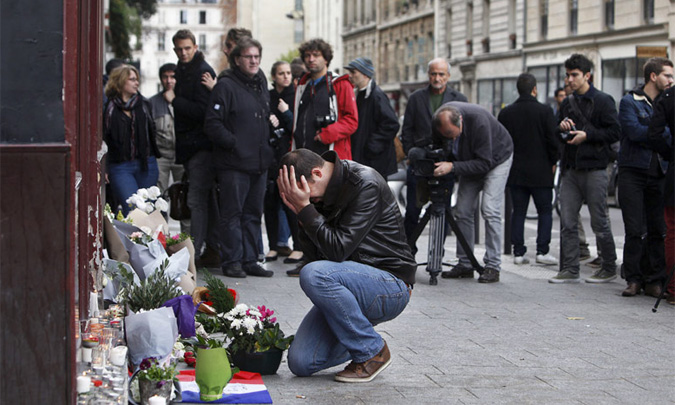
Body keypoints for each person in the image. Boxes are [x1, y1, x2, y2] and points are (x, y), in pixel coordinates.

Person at [277, 148, 416, 382]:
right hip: (349, 283)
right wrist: (303, 219)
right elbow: (315, 258)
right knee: (300, 361)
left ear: (317, 173)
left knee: (313, 274)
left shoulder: (365, 184)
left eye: (306, 194)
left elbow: (337, 250)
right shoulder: (319, 194)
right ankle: (358, 334)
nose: (307, 200)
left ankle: (372, 352)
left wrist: (305, 210)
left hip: (390, 284)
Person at [204, 37, 275, 278]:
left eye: (257, 56)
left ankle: (250, 260)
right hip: (233, 164)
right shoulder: (226, 85)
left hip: (259, 162)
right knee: (232, 214)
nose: (254, 61)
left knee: (253, 214)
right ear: (237, 60)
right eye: (249, 57)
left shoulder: (260, 82)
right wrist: (234, 144)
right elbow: (212, 125)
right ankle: (232, 261)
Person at [549, 53, 620, 284]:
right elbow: (558, 135)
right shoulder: (567, 103)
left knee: (599, 220)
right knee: (568, 220)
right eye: (567, 75)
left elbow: (615, 132)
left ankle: (608, 266)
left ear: (587, 76)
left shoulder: (603, 100)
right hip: (571, 168)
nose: (569, 80)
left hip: (595, 168)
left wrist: (587, 136)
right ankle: (570, 268)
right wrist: (562, 129)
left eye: (574, 75)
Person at [432, 102, 513, 283]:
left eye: (452, 135)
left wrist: (452, 166)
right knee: (463, 211)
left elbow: (485, 163)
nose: (451, 140)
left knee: (490, 210)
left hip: (497, 159)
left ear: (460, 121)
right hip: (468, 160)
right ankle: (465, 263)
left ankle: (493, 266)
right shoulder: (439, 120)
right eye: (446, 136)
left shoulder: (479, 122)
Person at [620, 57, 674, 297]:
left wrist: (655, 131)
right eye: (667, 76)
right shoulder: (630, 101)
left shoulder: (669, 102)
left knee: (657, 229)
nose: (671, 81)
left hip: (660, 172)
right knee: (633, 228)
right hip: (633, 171)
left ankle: (654, 280)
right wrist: (659, 131)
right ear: (654, 76)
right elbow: (633, 131)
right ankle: (633, 279)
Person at [165, 29, 219, 268]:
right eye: (179, 49)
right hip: (191, 147)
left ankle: (194, 254)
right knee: (201, 200)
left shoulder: (201, 71)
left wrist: (174, 100)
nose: (183, 52)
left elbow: (204, 111)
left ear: (195, 47)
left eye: (187, 48)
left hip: (201, 147)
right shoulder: (181, 70)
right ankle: (206, 250)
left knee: (198, 200)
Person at [400, 58, 467, 250]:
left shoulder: (459, 99)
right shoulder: (415, 98)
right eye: (433, 74)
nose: (437, 78)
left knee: (442, 212)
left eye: (441, 74)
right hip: (419, 163)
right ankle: (408, 253)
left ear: (448, 76)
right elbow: (407, 130)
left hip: (444, 164)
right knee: (413, 211)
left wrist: (453, 158)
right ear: (428, 75)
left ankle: (437, 252)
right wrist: (411, 153)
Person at [498, 73, 559, 266]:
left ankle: (518, 252)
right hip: (541, 171)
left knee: (518, 212)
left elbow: (502, 142)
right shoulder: (545, 111)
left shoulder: (506, 113)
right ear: (535, 89)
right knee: (545, 211)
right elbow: (553, 140)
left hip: (516, 171)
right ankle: (542, 250)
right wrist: (554, 160)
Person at [103, 65, 160, 216]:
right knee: (132, 210)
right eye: (132, 79)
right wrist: (105, 166)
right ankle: (133, 240)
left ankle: (146, 240)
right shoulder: (109, 107)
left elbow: (152, 132)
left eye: (137, 80)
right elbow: (104, 138)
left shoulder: (144, 104)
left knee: (148, 210)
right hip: (120, 166)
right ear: (121, 81)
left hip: (146, 164)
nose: (137, 83)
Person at [292, 38, 358, 160]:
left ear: (326, 59)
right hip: (304, 156)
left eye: (316, 55)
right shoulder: (302, 85)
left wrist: (328, 134)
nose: (311, 59)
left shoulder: (339, 84)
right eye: (307, 55)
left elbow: (352, 120)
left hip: (330, 156)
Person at [264, 61, 303, 264]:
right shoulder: (268, 96)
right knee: (270, 203)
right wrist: (268, 116)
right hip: (270, 157)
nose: (286, 77)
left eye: (288, 73)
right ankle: (273, 246)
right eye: (281, 73)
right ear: (274, 76)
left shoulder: (295, 96)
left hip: (289, 157)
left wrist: (286, 113)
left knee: (290, 204)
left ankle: (298, 246)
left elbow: (299, 128)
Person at [345, 57, 400, 179]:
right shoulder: (359, 94)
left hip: (374, 161)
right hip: (365, 158)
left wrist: (373, 146)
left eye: (354, 72)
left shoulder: (377, 96)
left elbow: (392, 124)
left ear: (365, 75)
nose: (350, 76)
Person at [647, 84, 675, 305]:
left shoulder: (668, 96)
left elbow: (654, 134)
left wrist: (670, 153)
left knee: (672, 230)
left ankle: (673, 288)